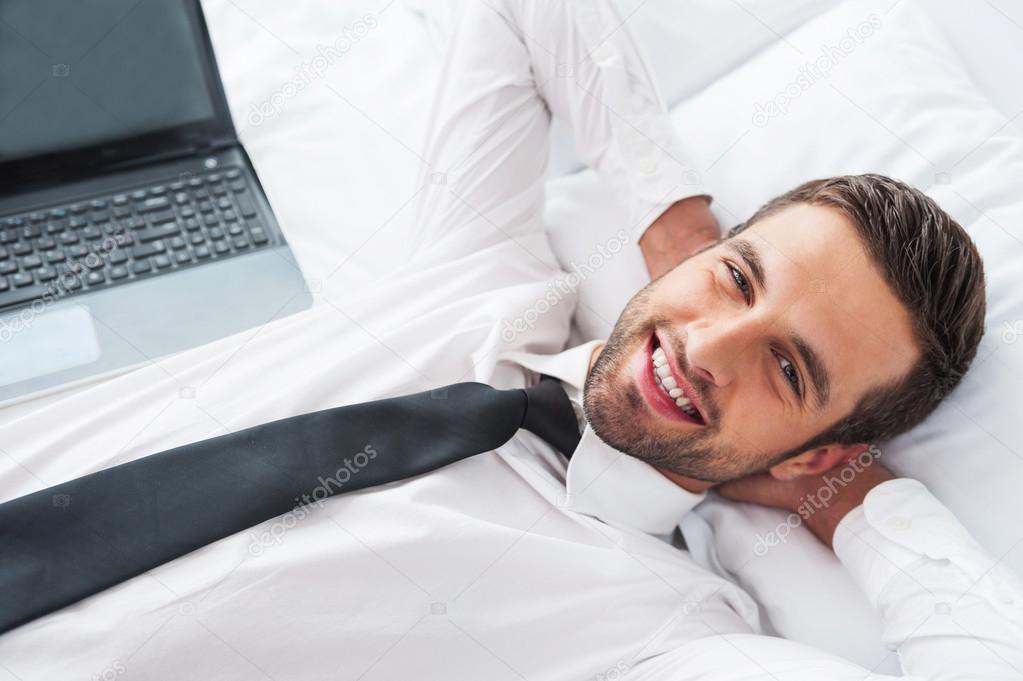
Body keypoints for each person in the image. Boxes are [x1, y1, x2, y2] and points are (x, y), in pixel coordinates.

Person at [1, 0, 1019, 678]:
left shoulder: (658, 629)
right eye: (738, 280)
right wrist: (676, 222)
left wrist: (859, 506)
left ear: (820, 446)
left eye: (788, 369)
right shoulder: (481, 265)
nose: (712, 345)